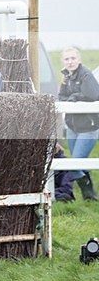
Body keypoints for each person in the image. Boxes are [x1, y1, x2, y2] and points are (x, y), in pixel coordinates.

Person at [58, 47, 99, 201]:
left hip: (88, 127)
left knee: (74, 165)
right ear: (63, 61)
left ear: (79, 60)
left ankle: (87, 188)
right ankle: (90, 198)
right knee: (79, 163)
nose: (70, 62)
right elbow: (61, 96)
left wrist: (75, 96)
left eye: (73, 58)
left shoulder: (86, 74)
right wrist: (71, 97)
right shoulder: (67, 76)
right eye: (67, 59)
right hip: (73, 128)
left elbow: (94, 94)